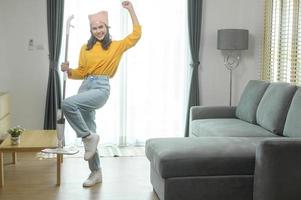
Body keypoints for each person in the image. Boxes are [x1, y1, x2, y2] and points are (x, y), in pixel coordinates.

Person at [60, 1, 141, 187]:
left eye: (101, 27)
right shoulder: (85, 48)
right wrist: (68, 70)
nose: (98, 31)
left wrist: (131, 10)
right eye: (95, 28)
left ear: (107, 27)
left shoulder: (115, 46)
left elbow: (136, 35)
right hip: (85, 86)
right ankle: (96, 173)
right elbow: (82, 71)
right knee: (90, 133)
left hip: (100, 88)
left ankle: (87, 137)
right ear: (91, 30)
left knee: (67, 104)